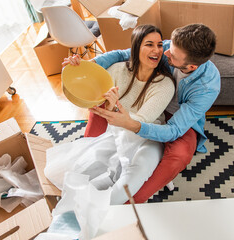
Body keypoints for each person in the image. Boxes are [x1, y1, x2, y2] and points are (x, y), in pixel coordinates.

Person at [88, 23, 221, 203]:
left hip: (176, 117)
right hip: (149, 100)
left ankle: (133, 202)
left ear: (191, 67)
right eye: (168, 47)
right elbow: (124, 54)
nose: (164, 53)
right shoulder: (169, 47)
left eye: (172, 55)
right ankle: (88, 152)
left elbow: (174, 130)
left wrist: (134, 126)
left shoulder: (207, 87)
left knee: (180, 155)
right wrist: (90, 64)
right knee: (100, 107)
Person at [46, 25, 175, 204]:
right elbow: (88, 94)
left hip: (148, 138)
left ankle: (98, 210)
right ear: (136, 47)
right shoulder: (116, 70)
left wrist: (115, 109)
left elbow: (141, 122)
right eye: (150, 44)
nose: (157, 50)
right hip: (116, 135)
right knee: (80, 170)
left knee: (133, 177)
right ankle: (80, 207)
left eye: (160, 45)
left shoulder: (165, 84)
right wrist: (78, 68)